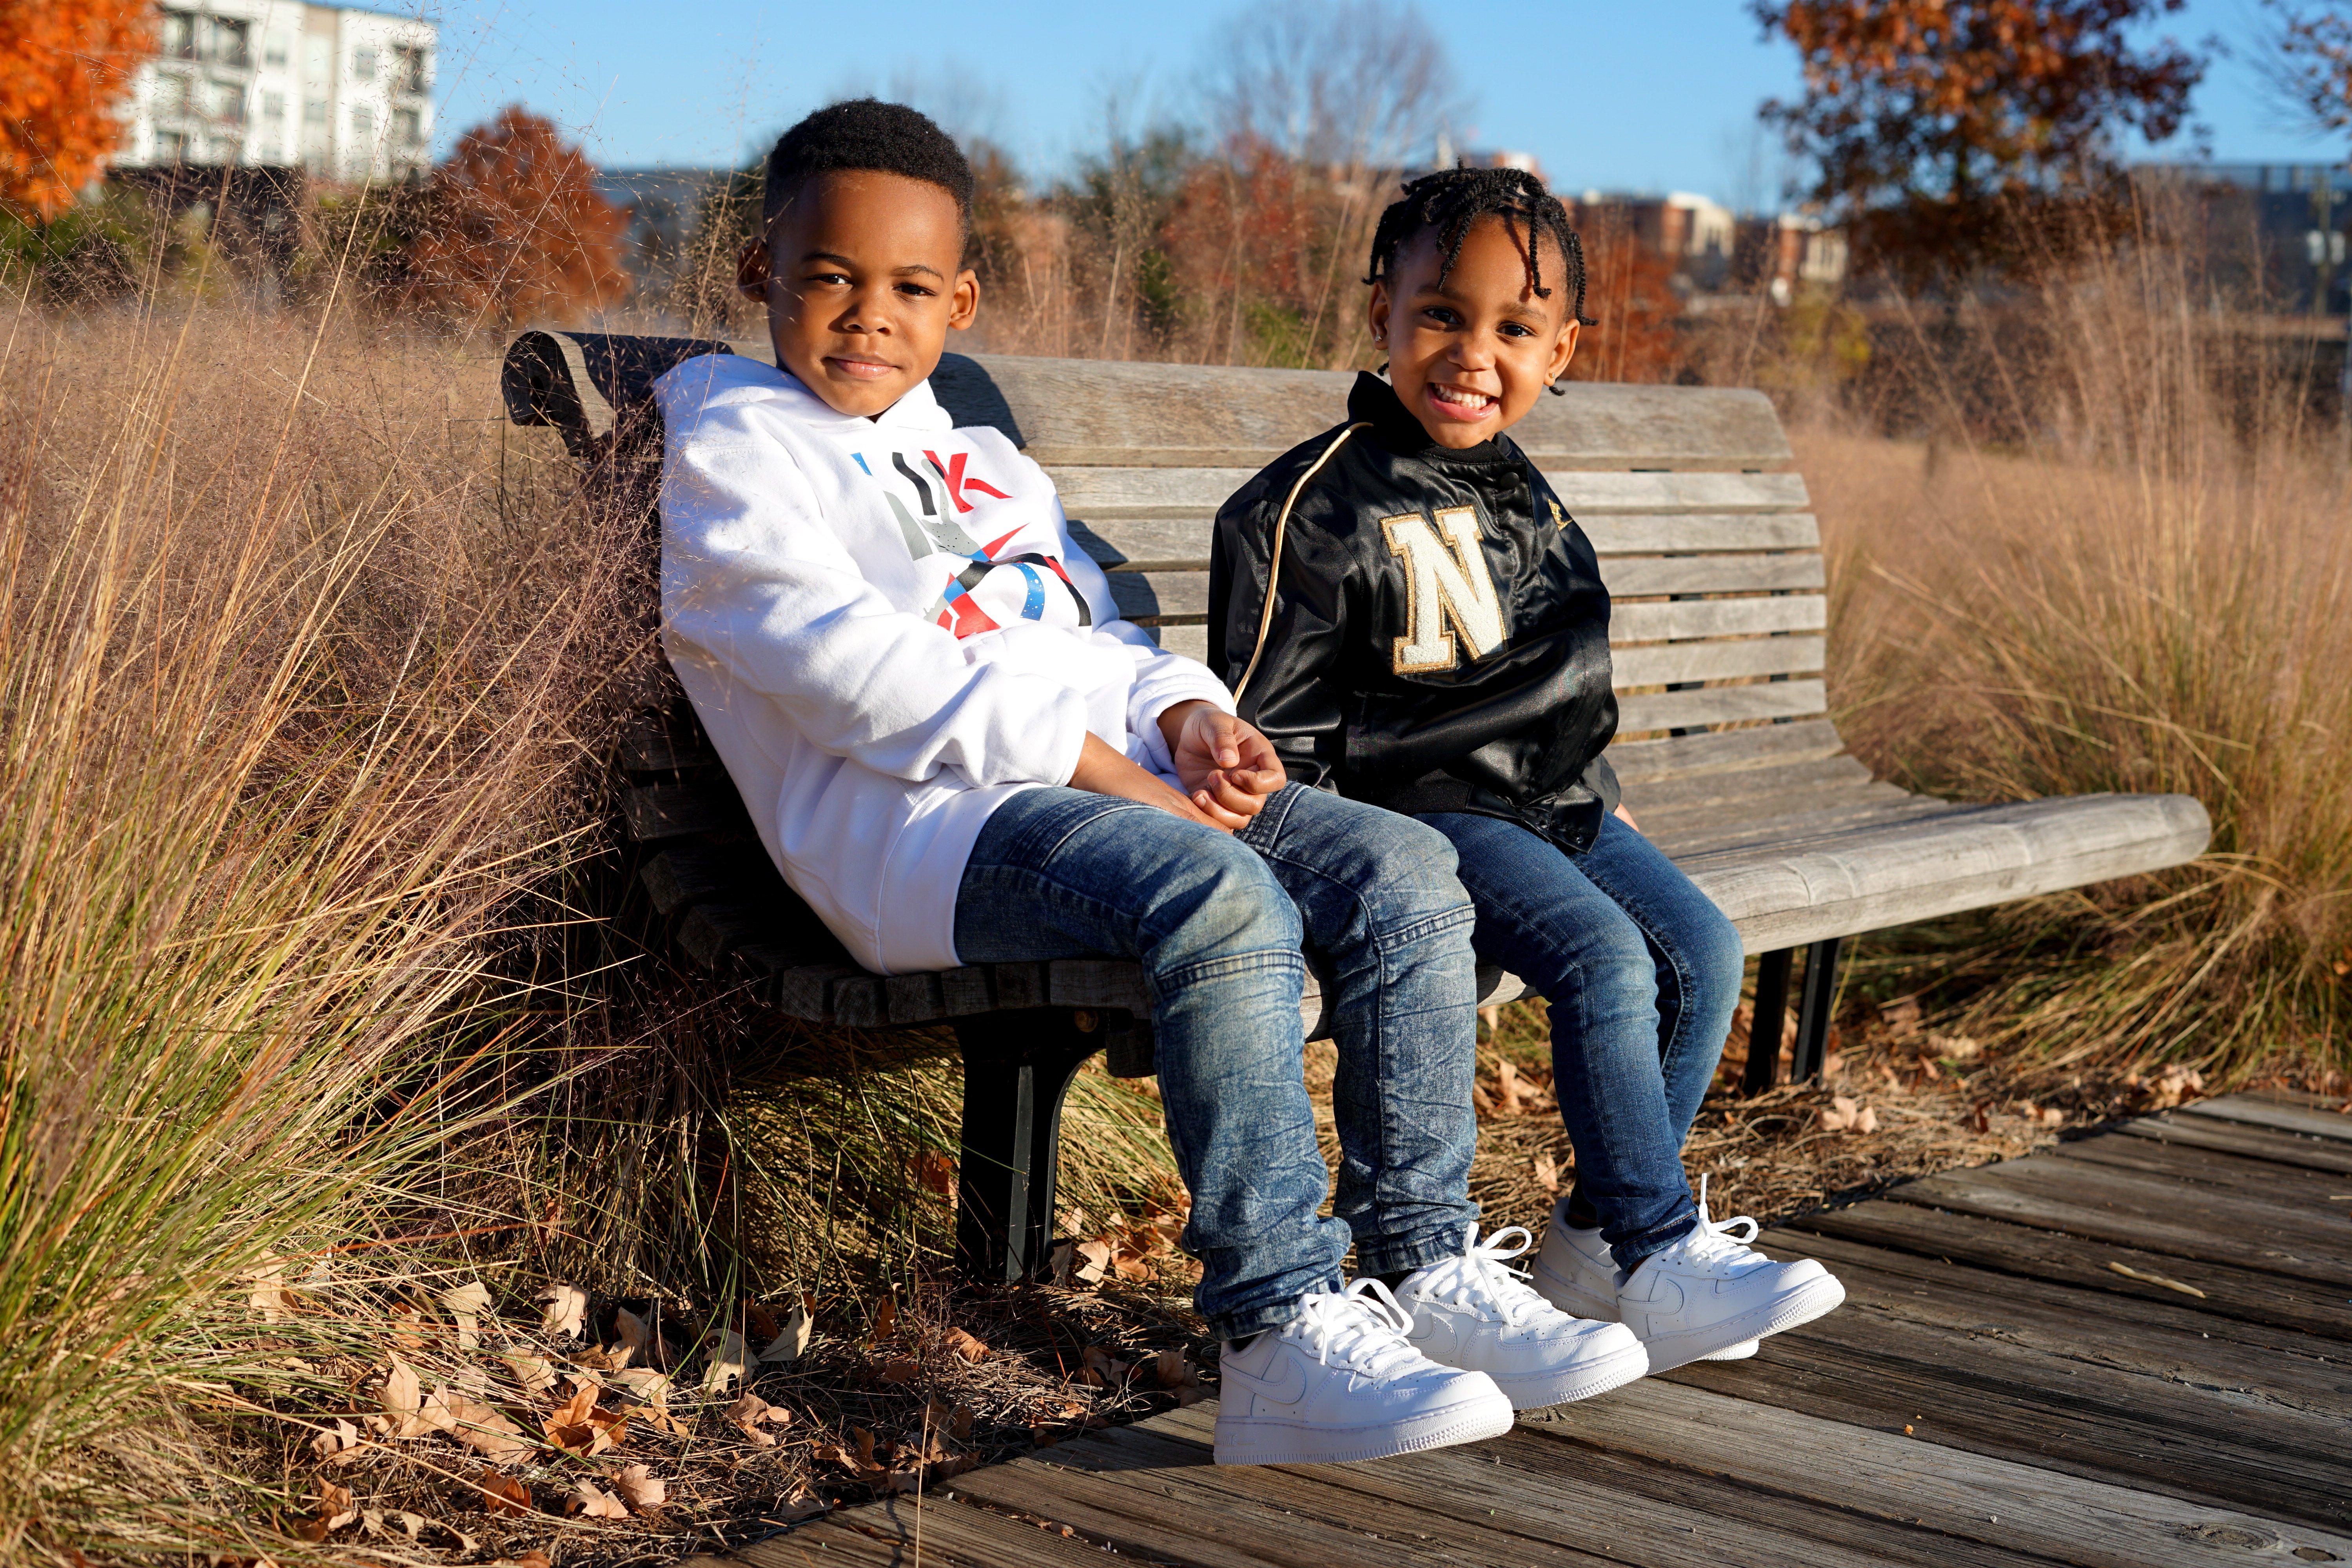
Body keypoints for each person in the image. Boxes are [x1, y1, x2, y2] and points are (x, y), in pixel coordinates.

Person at [653, 101, 1647, 1467]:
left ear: (963, 300)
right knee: (1222, 894)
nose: (867, 316)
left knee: (1405, 868)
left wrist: (1188, 721)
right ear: (762, 270)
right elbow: (844, 672)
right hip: (925, 833)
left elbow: (1093, 636)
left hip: (1096, 787)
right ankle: (1278, 1329)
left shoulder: (983, 459)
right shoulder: (731, 445)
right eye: (829, 276)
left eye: (909, 289)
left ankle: (1421, 1267)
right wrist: (1115, 774)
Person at [1208, 166, 1846, 1374]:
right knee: (1605, 959)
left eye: (1514, 329)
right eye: (1442, 314)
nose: (1472, 353)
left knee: (1699, 951)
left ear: (1561, 352)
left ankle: (1599, 1243)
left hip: (1555, 799)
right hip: (1425, 812)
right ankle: (1660, 1248)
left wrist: (1595, 785)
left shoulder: (1523, 492)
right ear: (1383, 311)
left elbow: (1563, 671)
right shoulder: (1308, 502)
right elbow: (1274, 739)